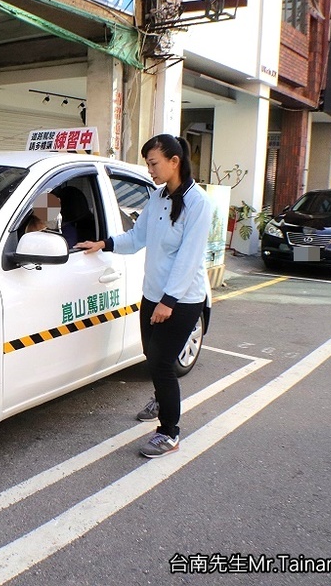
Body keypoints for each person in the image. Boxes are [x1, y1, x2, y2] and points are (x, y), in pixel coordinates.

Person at [75, 134, 211, 458]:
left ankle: (169, 433)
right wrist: (104, 244)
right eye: (148, 164)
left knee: (163, 363)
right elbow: (137, 237)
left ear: (174, 161)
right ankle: (162, 398)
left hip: (181, 300)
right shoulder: (158, 197)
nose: (150, 170)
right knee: (153, 357)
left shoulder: (198, 203)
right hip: (152, 294)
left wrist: (169, 302)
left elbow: (189, 258)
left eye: (153, 163)